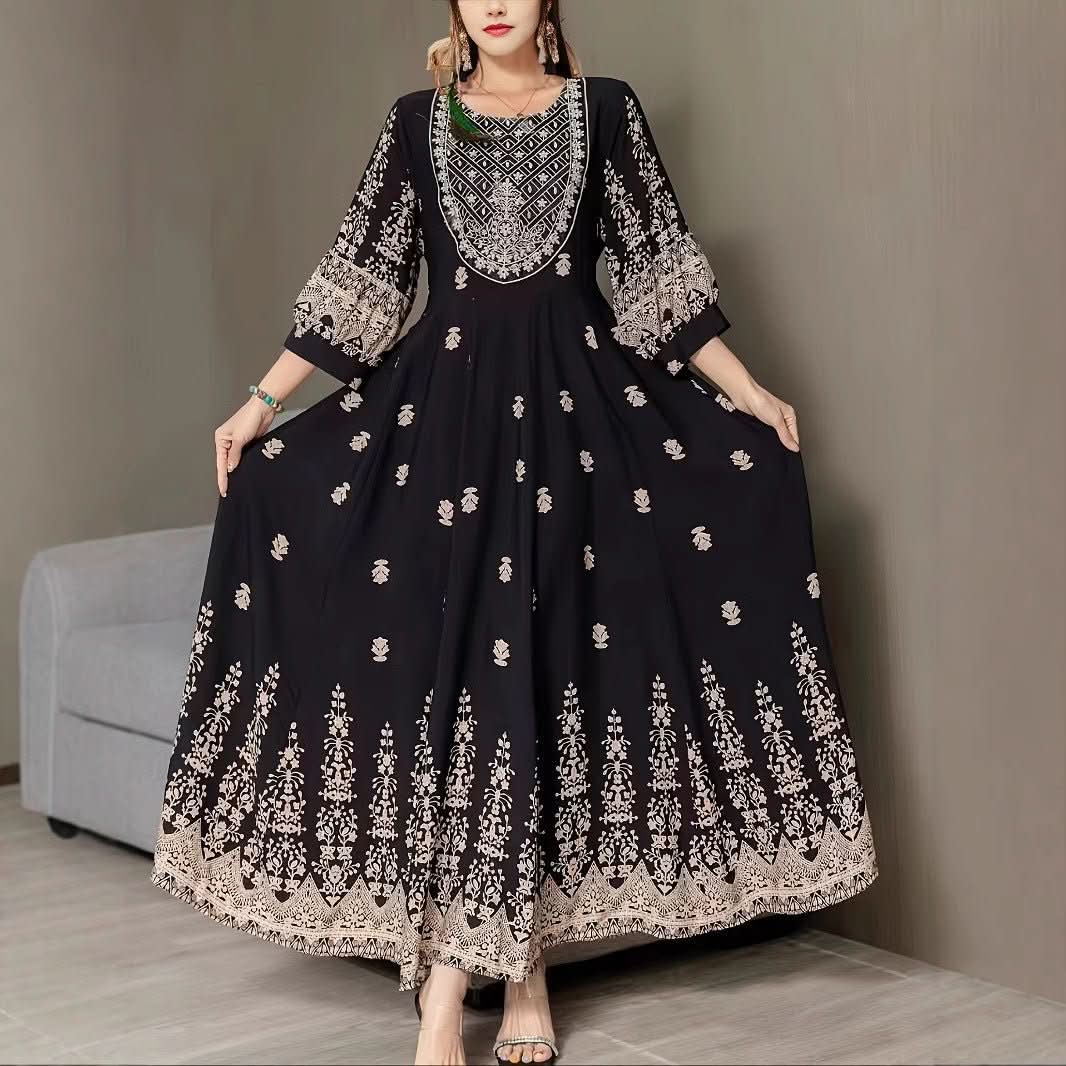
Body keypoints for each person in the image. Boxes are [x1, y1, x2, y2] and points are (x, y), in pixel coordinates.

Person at [150, 1, 879, 1063]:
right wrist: (260, 405)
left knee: (536, 674)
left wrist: (752, 395)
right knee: (467, 684)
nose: (493, 0)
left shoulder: (606, 112)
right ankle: (482, 988)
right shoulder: (416, 124)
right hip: (443, 436)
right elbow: (362, 288)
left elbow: (661, 282)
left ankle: (494, 980)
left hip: (577, 432)